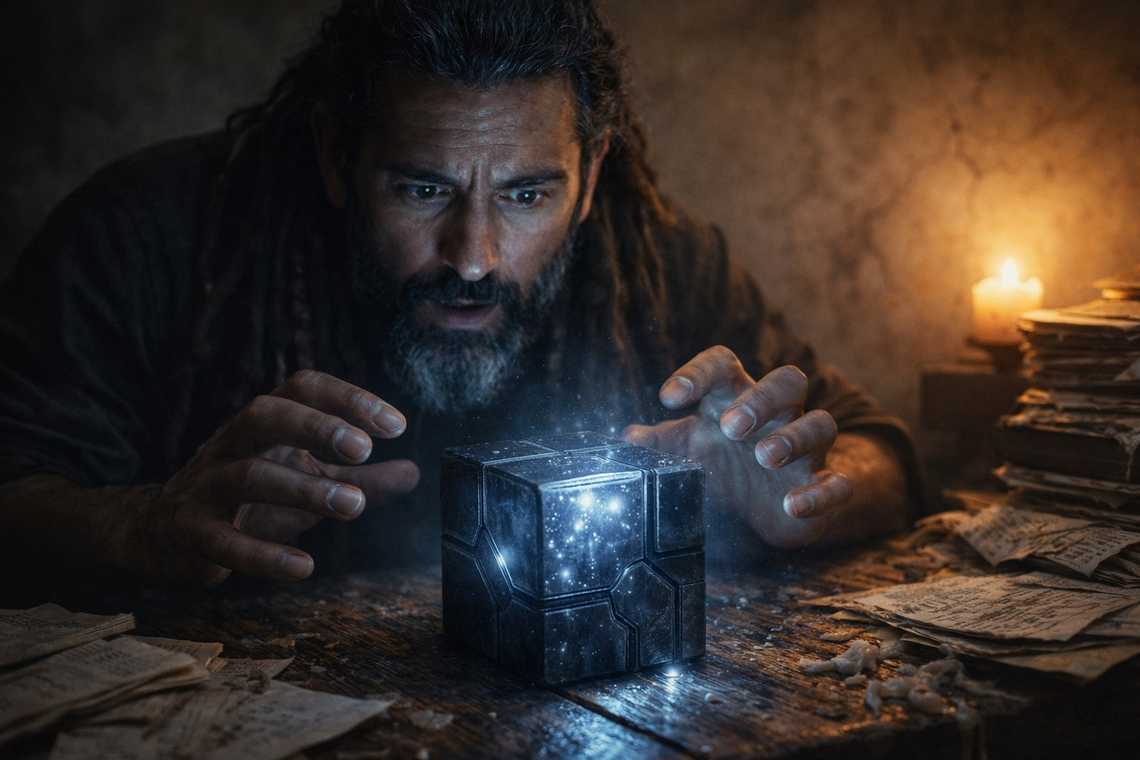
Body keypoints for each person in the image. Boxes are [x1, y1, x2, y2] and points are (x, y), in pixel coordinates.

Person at [0, 0, 916, 589]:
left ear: (591, 174)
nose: (473, 256)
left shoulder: (652, 254)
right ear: (336, 156)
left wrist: (802, 503)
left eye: (526, 194)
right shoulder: (150, 234)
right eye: (421, 189)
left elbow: (879, 454)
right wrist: (139, 526)